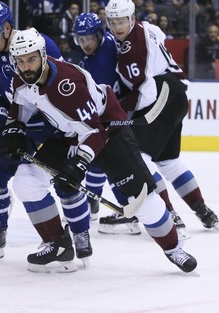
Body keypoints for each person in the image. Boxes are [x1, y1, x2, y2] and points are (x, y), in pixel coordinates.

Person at [6, 27, 197, 273]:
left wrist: (78, 165)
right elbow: (19, 108)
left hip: (107, 132)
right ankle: (57, 242)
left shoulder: (68, 85)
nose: (26, 66)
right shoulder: (20, 79)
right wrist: (14, 130)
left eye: (31, 59)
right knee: (26, 180)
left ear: (43, 55)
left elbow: (95, 132)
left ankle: (174, 248)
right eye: (20, 61)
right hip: (69, 135)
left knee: (143, 199)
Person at [0, 2, 91, 272]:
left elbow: (59, 89)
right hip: (20, 119)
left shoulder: (39, 44)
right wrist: (1, 119)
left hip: (51, 122)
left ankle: (79, 232)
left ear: (7, 28)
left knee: (63, 181)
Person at [73, 12, 188, 238]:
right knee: (108, 161)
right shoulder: (92, 59)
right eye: (80, 39)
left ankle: (163, 213)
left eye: (88, 38)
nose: (84, 43)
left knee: (130, 162)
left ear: (99, 34)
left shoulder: (115, 45)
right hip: (124, 110)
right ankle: (117, 206)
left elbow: (151, 41)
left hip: (133, 108)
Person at [105, 0, 218, 229]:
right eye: (113, 22)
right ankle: (204, 212)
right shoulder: (147, 26)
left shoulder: (130, 53)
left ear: (131, 18)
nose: (118, 27)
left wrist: (117, 109)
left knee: (139, 156)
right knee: (169, 162)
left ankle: (168, 213)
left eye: (122, 21)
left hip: (162, 96)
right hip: (176, 92)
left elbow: (143, 94)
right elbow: (160, 35)